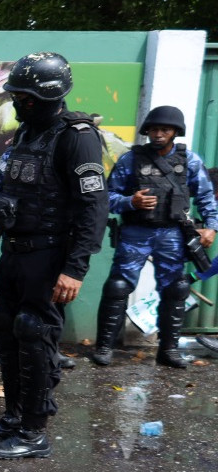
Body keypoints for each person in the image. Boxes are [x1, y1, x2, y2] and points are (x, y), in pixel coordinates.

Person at [0, 52, 109, 460]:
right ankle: (14, 418)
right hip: (16, 251)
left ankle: (33, 432)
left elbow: (93, 207)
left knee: (34, 332)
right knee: (6, 326)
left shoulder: (76, 136)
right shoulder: (27, 134)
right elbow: (9, 195)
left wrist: (74, 268)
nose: (18, 103)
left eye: (25, 97)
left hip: (49, 256)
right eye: (15, 95)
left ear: (47, 96)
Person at [89, 105, 218, 368]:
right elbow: (107, 198)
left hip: (172, 232)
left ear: (174, 132)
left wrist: (211, 227)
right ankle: (104, 348)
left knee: (175, 288)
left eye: (165, 129)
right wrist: (130, 202)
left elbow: (205, 197)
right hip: (136, 232)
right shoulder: (130, 160)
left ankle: (168, 350)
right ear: (147, 131)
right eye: (154, 129)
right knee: (118, 286)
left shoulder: (189, 161)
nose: (158, 134)